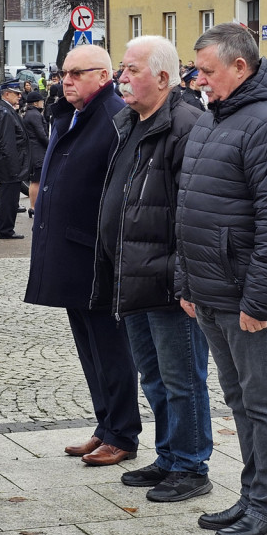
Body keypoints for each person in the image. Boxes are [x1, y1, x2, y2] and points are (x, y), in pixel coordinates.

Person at [176, 23, 267, 535]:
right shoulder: (215, 115)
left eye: (206, 70)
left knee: (263, 402)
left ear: (240, 66)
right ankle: (251, 497)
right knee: (239, 399)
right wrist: (186, 281)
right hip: (211, 290)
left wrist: (260, 300)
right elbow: (191, 206)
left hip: (245, 295)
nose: (198, 79)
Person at [92, 35, 212, 502]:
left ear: (163, 78)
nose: (121, 79)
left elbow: (194, 213)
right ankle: (169, 455)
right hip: (135, 274)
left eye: (131, 70)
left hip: (167, 279)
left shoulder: (186, 125)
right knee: (156, 377)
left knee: (183, 379)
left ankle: (191, 465)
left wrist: (185, 280)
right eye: (121, 69)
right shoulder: (130, 121)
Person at [25, 44, 141, 467]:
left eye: (76, 73)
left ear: (103, 76)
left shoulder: (114, 117)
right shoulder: (71, 113)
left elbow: (120, 192)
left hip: (96, 254)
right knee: (89, 348)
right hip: (70, 251)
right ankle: (105, 425)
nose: (66, 81)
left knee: (110, 347)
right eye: (63, 74)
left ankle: (123, 434)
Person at [0, 80, 29, 239]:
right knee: (8, 199)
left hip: (7, 162)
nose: (19, 96)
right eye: (16, 94)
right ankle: (5, 230)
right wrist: (14, 168)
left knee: (9, 198)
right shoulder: (4, 112)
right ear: (6, 94)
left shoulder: (5, 110)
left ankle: (5, 229)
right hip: (9, 164)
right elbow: (8, 143)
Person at [20, 90, 48, 214]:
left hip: (32, 150)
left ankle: (33, 206)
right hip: (38, 151)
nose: (43, 103)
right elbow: (41, 134)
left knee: (34, 181)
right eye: (41, 101)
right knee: (37, 181)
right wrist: (50, 145)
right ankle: (34, 207)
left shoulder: (28, 113)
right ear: (36, 103)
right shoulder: (35, 115)